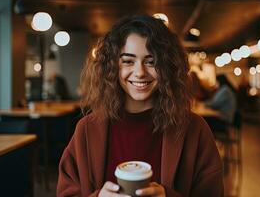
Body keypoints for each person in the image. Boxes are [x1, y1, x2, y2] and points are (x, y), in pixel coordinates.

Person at [57, 15, 223, 197]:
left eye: (151, 62)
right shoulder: (87, 130)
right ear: (112, 67)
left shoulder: (194, 129)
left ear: (167, 67)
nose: (140, 72)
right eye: (128, 61)